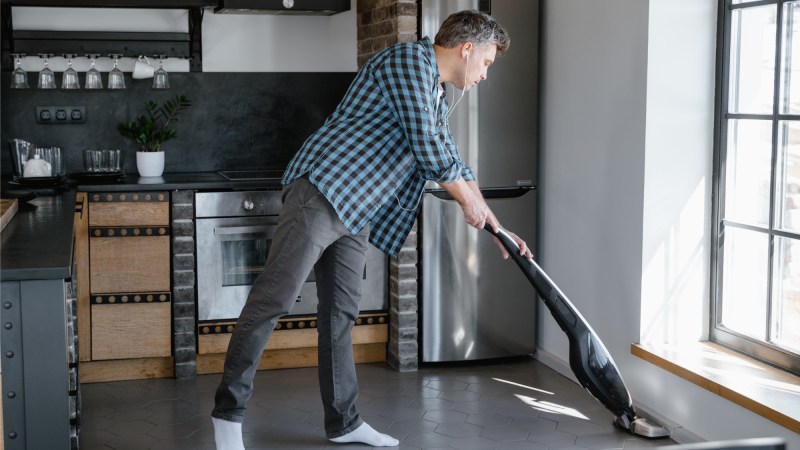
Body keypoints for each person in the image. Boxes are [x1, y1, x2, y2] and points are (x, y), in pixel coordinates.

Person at [211, 9, 532, 449]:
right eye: (488, 63)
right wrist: (469, 207)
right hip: (322, 191)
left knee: (339, 315)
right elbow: (428, 150)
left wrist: (498, 226)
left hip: (357, 209)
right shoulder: (408, 62)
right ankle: (228, 415)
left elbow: (451, 158)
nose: (485, 75)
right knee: (274, 299)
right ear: (467, 48)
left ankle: (344, 422)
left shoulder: (435, 91)